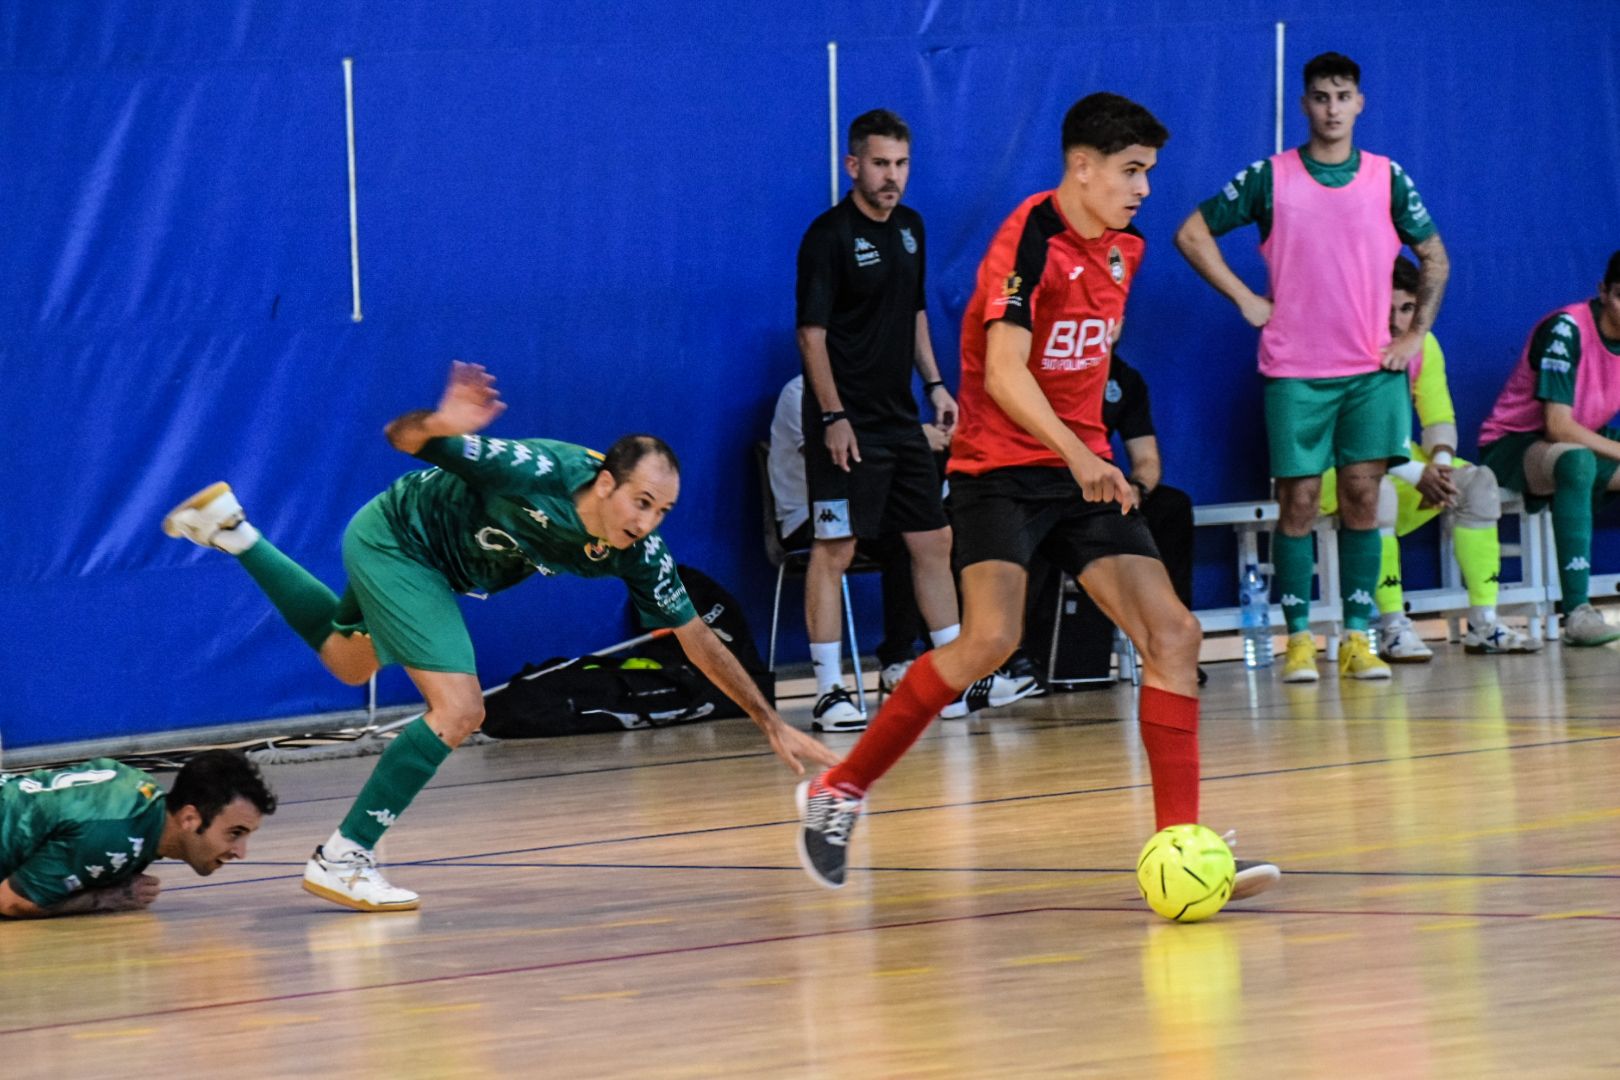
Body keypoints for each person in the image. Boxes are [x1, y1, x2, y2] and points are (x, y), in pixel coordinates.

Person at [794, 92, 1279, 901]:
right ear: (1081, 169)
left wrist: (1091, 454)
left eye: (1149, 173)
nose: (1144, 189)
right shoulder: (1026, 240)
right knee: (987, 641)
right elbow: (1009, 371)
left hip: (1079, 472)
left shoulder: (1126, 249)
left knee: (1174, 634)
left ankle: (1181, 850)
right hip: (1000, 472)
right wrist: (1076, 453)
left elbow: (1086, 362)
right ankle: (838, 790)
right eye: (1131, 171)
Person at [163, 361, 839, 912]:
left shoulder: (638, 550)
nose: (649, 523)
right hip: (401, 542)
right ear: (605, 482)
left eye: (663, 512)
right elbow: (404, 436)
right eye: (641, 503)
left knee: (348, 659)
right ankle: (346, 856)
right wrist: (443, 423)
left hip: (430, 563)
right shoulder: (532, 470)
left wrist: (767, 721)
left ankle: (231, 529)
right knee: (460, 710)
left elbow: (696, 637)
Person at [1175, 51, 1450, 683]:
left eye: (1342, 96)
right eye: (1320, 97)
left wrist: (1414, 334)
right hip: (1296, 369)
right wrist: (1245, 297)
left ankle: (1356, 637)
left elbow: (1434, 255)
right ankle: (1298, 640)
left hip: (1369, 371)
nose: (1331, 108)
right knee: (1296, 501)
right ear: (1304, 104)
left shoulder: (1387, 177)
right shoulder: (1272, 178)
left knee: (1362, 497)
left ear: (1360, 103)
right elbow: (1191, 232)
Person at [795, 109, 1034, 733]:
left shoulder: (911, 229)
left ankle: (954, 676)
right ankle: (828, 691)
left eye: (900, 164)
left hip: (900, 418)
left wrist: (934, 384)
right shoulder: (827, 236)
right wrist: (833, 416)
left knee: (935, 541)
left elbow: (917, 313)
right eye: (879, 163)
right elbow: (812, 336)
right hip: (846, 424)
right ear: (853, 166)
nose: (891, 176)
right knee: (835, 548)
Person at [1319, 256, 1539, 660]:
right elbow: (1350, 441)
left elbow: (1438, 417)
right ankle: (1392, 628)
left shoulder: (1423, 346)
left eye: (1407, 309)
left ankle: (1484, 621)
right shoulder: (1342, 349)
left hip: (1405, 464)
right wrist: (1418, 472)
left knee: (1478, 483)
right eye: (1387, 310)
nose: (1398, 322)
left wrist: (1438, 462)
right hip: (1338, 470)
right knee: (1378, 490)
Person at [1019, 350, 1204, 685]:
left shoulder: (1125, 379)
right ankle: (1024, 655)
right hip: (1043, 483)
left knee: (1172, 506)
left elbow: (1147, 458)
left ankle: (1172, 641)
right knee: (1041, 520)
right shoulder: (1046, 366)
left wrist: (1137, 490)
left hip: (1104, 491)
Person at [1476, 250, 1620, 646]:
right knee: (1575, 462)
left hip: (1586, 435)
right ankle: (1577, 611)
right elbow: (1558, 426)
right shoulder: (1567, 329)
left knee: (1581, 457)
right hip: (1514, 443)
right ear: (1603, 292)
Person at [769, 373, 942, 691]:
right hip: (806, 515)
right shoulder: (798, 394)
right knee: (893, 540)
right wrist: (917, 438)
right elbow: (835, 462)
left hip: (864, 508)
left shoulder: (866, 394)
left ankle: (942, 659)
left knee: (923, 537)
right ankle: (892, 661)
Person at [0, 749, 275, 919]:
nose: (241, 852)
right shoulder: (113, 837)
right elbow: (11, 901)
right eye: (234, 833)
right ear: (189, 818)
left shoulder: (138, 785)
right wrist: (105, 899)